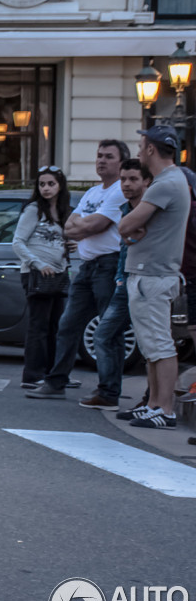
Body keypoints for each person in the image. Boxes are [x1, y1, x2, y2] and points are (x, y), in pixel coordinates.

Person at [27, 140, 128, 400]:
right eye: (99, 156)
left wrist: (83, 227)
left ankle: (108, 390)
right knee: (68, 324)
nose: (101, 161)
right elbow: (70, 227)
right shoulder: (93, 192)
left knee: (108, 330)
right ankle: (56, 382)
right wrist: (83, 228)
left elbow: (96, 224)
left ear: (121, 162)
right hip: (87, 266)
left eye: (108, 156)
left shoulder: (119, 191)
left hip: (109, 264)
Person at [115, 126, 190, 429]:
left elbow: (124, 226)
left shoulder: (165, 183)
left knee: (159, 345)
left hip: (153, 275)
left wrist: (131, 230)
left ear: (150, 150)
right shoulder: (172, 180)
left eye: (140, 145)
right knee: (151, 347)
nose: (137, 150)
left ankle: (165, 410)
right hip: (151, 273)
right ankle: (155, 405)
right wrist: (134, 232)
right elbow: (133, 229)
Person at [79, 159, 150, 411]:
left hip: (147, 281)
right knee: (105, 333)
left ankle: (151, 399)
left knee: (148, 341)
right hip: (126, 281)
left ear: (146, 182)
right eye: (123, 179)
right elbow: (124, 247)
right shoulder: (123, 209)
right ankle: (109, 393)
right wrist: (120, 276)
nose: (127, 184)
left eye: (133, 179)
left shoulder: (151, 209)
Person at [13, 166, 72, 389]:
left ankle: (53, 373)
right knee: (38, 326)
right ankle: (32, 375)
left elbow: (65, 241)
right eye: (42, 184)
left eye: (51, 184)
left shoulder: (66, 211)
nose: (46, 188)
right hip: (36, 274)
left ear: (60, 186)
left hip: (59, 273)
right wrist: (38, 263)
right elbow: (17, 242)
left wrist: (73, 246)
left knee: (56, 325)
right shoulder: (33, 210)